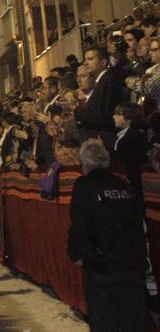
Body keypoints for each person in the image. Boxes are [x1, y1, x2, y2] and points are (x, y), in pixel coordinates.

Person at [69, 139, 149, 332]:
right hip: (131, 263)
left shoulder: (84, 185)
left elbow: (79, 223)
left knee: (104, 319)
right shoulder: (124, 186)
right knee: (133, 319)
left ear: (85, 164)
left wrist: (76, 252)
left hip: (102, 266)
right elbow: (139, 222)